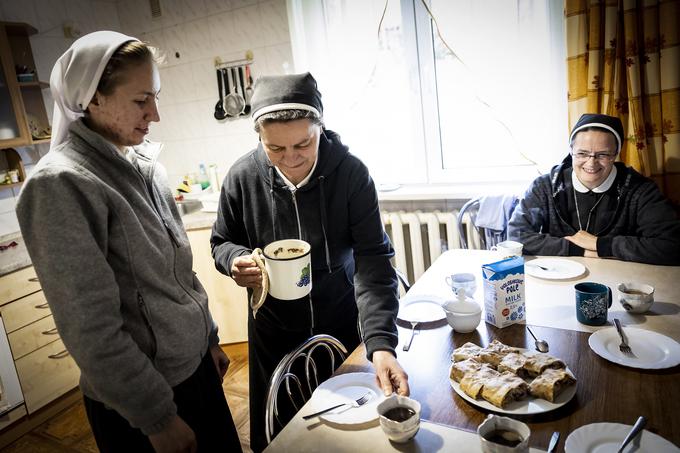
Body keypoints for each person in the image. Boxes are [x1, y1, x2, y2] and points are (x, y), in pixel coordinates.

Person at [16, 31, 242, 452]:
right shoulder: (62, 185)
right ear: (92, 99)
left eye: (155, 96)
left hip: (193, 372)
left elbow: (180, 272)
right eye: (141, 100)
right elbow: (90, 327)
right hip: (142, 401)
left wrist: (208, 338)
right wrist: (156, 417)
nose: (155, 114)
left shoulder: (145, 165)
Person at [210, 73, 410, 451]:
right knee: (287, 440)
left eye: (303, 143)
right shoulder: (241, 177)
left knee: (351, 435)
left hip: (342, 326)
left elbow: (373, 259)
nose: (290, 159)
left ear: (321, 126)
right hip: (273, 334)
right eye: (275, 149)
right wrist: (235, 259)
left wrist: (381, 343)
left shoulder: (351, 174)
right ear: (259, 139)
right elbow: (222, 241)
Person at [508, 113, 680, 265]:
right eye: (582, 153)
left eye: (603, 154)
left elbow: (672, 246)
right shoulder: (545, 186)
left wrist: (600, 245)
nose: (591, 163)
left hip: (618, 279)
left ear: (616, 154)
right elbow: (516, 236)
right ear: (571, 151)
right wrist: (578, 249)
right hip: (556, 276)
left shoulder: (640, 190)